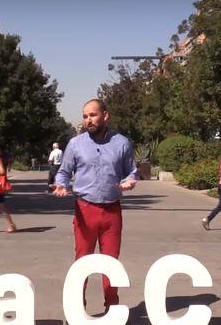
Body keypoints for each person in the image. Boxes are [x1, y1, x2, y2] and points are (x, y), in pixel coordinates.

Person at [53, 99, 138, 311]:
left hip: (112, 211)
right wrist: (61, 185)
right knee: (82, 260)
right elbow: (64, 172)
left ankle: (112, 308)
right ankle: (77, 308)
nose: (88, 120)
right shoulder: (75, 144)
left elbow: (131, 171)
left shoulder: (122, 143)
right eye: (85, 116)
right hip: (85, 209)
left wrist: (130, 180)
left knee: (111, 263)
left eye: (92, 115)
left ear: (105, 116)